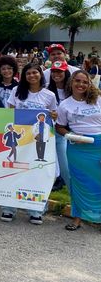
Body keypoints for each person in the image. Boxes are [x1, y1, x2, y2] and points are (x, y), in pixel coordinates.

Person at [3, 62, 57, 225]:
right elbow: (10, 113)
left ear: (41, 74)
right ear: (24, 76)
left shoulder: (49, 95)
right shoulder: (16, 91)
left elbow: (53, 116)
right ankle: (8, 208)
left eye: (35, 72)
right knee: (14, 172)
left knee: (37, 174)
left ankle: (36, 210)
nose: (32, 76)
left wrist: (53, 116)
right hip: (20, 141)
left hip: (39, 141)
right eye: (28, 73)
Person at [55, 70, 101, 230]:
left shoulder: (98, 99)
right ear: (71, 82)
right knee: (78, 183)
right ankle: (77, 218)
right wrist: (71, 135)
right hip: (77, 148)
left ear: (89, 84)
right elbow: (59, 127)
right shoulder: (65, 105)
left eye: (85, 82)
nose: (81, 84)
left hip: (98, 146)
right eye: (78, 81)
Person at [47, 60, 71, 191]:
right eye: (54, 72)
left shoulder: (73, 90)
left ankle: (74, 195)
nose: (56, 74)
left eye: (60, 71)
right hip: (48, 133)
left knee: (65, 167)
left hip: (65, 133)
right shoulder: (47, 90)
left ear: (66, 72)